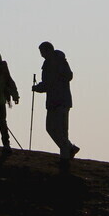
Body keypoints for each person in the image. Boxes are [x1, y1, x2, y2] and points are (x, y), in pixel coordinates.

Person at [31, 41, 78, 170]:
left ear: (47, 50)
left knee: (56, 129)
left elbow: (49, 83)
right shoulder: (57, 62)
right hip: (59, 101)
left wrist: (37, 87)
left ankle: (65, 155)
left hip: (58, 101)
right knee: (56, 129)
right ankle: (68, 150)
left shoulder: (54, 63)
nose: (41, 54)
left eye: (42, 51)